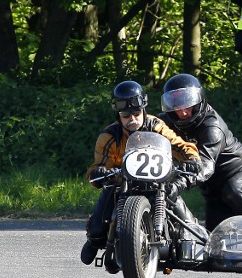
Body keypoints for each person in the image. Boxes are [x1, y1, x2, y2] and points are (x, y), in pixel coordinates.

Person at [81, 81, 202, 267]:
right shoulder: (108, 136)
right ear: (118, 115)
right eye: (126, 115)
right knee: (98, 227)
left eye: (136, 113)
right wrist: (100, 172)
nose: (132, 119)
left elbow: (178, 144)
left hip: (157, 184)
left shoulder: (156, 125)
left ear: (143, 110)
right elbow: (98, 166)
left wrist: (192, 158)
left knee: (185, 219)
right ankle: (94, 241)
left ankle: (194, 240)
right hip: (121, 186)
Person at [159, 73, 242, 230]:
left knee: (234, 189)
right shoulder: (167, 122)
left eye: (187, 103)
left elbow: (205, 166)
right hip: (214, 192)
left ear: (199, 100)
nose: (182, 112)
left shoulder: (212, 127)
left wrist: (179, 184)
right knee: (213, 239)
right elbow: (145, 126)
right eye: (176, 104)